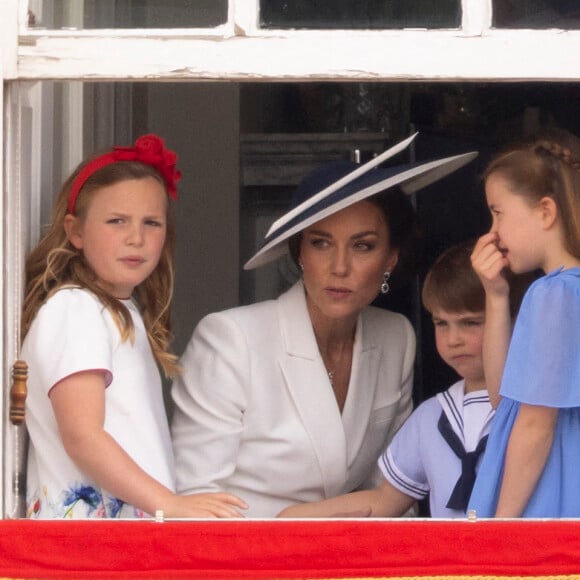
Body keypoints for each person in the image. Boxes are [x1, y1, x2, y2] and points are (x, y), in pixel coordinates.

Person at [171, 133, 477, 517]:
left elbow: (391, 489)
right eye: (320, 243)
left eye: (362, 246)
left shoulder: (395, 336)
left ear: (391, 259)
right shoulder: (231, 339)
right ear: (299, 252)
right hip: (243, 559)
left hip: (346, 559)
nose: (339, 267)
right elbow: (194, 500)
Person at [22, 134, 247, 519]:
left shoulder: (117, 312)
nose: (136, 238)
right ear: (75, 231)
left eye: (151, 223)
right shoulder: (75, 309)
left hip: (120, 544)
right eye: (116, 221)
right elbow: (82, 436)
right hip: (89, 552)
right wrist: (171, 505)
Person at [278, 240, 496, 518]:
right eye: (441, 323)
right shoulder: (431, 416)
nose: (453, 340)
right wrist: (289, 517)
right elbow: (385, 501)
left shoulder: (534, 413)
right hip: (451, 560)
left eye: (470, 323)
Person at [468, 128, 580, 518]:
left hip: (545, 498)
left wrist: (503, 525)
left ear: (546, 212)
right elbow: (507, 400)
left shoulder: (553, 294)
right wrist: (495, 295)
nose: (492, 233)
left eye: (498, 213)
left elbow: (534, 424)